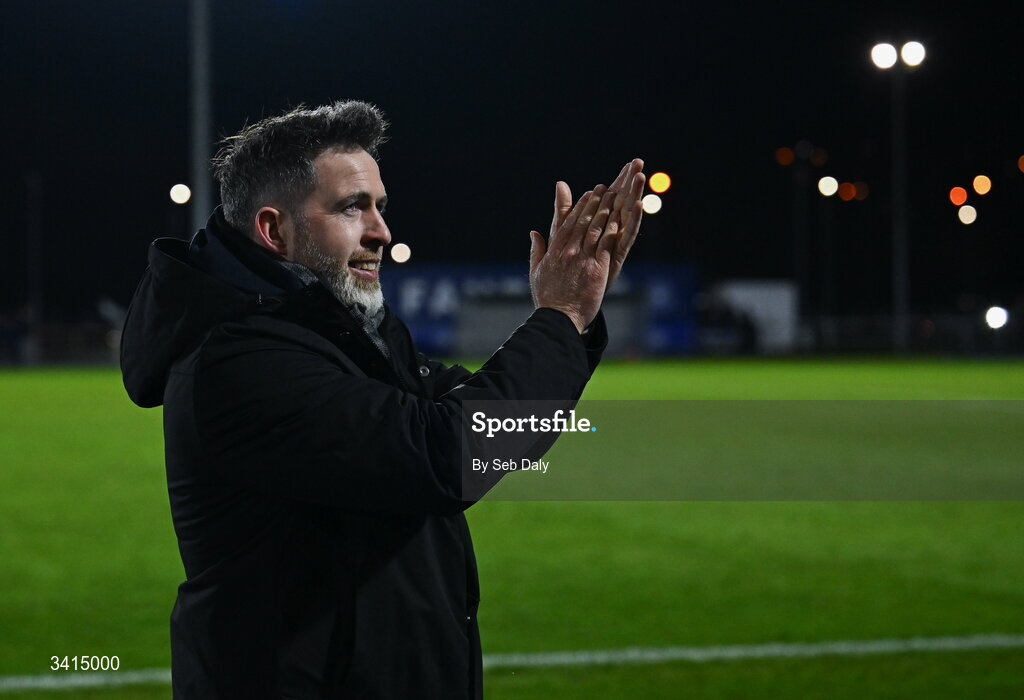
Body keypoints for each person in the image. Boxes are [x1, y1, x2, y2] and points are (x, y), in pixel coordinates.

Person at [120, 100, 644, 699]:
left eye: (380, 207)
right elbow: (448, 456)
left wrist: (570, 326)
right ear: (273, 230)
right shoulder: (239, 361)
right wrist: (560, 317)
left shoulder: (343, 331)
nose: (382, 231)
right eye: (352, 208)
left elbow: (482, 415)